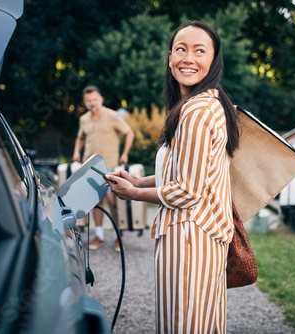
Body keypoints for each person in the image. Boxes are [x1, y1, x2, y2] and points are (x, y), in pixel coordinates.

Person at [106, 21, 240, 333]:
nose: (188, 58)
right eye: (181, 49)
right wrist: (141, 181)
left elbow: (188, 191)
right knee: (202, 324)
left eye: (199, 51)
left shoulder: (196, 111)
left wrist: (133, 195)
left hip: (188, 237)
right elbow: (191, 170)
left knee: (183, 325)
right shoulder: (209, 103)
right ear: (169, 57)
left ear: (214, 59)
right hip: (203, 236)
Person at [73, 85, 134, 252]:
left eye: (94, 99)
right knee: (95, 201)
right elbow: (80, 138)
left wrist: (125, 154)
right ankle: (99, 235)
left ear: (100, 99)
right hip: (90, 167)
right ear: (85, 102)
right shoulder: (84, 119)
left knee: (113, 201)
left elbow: (129, 133)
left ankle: (117, 237)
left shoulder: (112, 116)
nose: (92, 103)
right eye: (88, 100)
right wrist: (76, 151)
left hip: (110, 166)